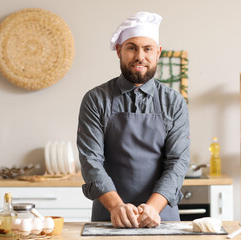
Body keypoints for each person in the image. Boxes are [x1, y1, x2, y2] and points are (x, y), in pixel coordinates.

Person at [77, 11, 190, 229]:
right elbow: (91, 160)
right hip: (110, 216)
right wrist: (117, 207)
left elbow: (177, 162)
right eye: (131, 47)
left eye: (148, 49)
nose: (140, 56)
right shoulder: (95, 99)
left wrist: (152, 208)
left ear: (158, 52)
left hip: (161, 216)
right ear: (119, 51)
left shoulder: (174, 102)